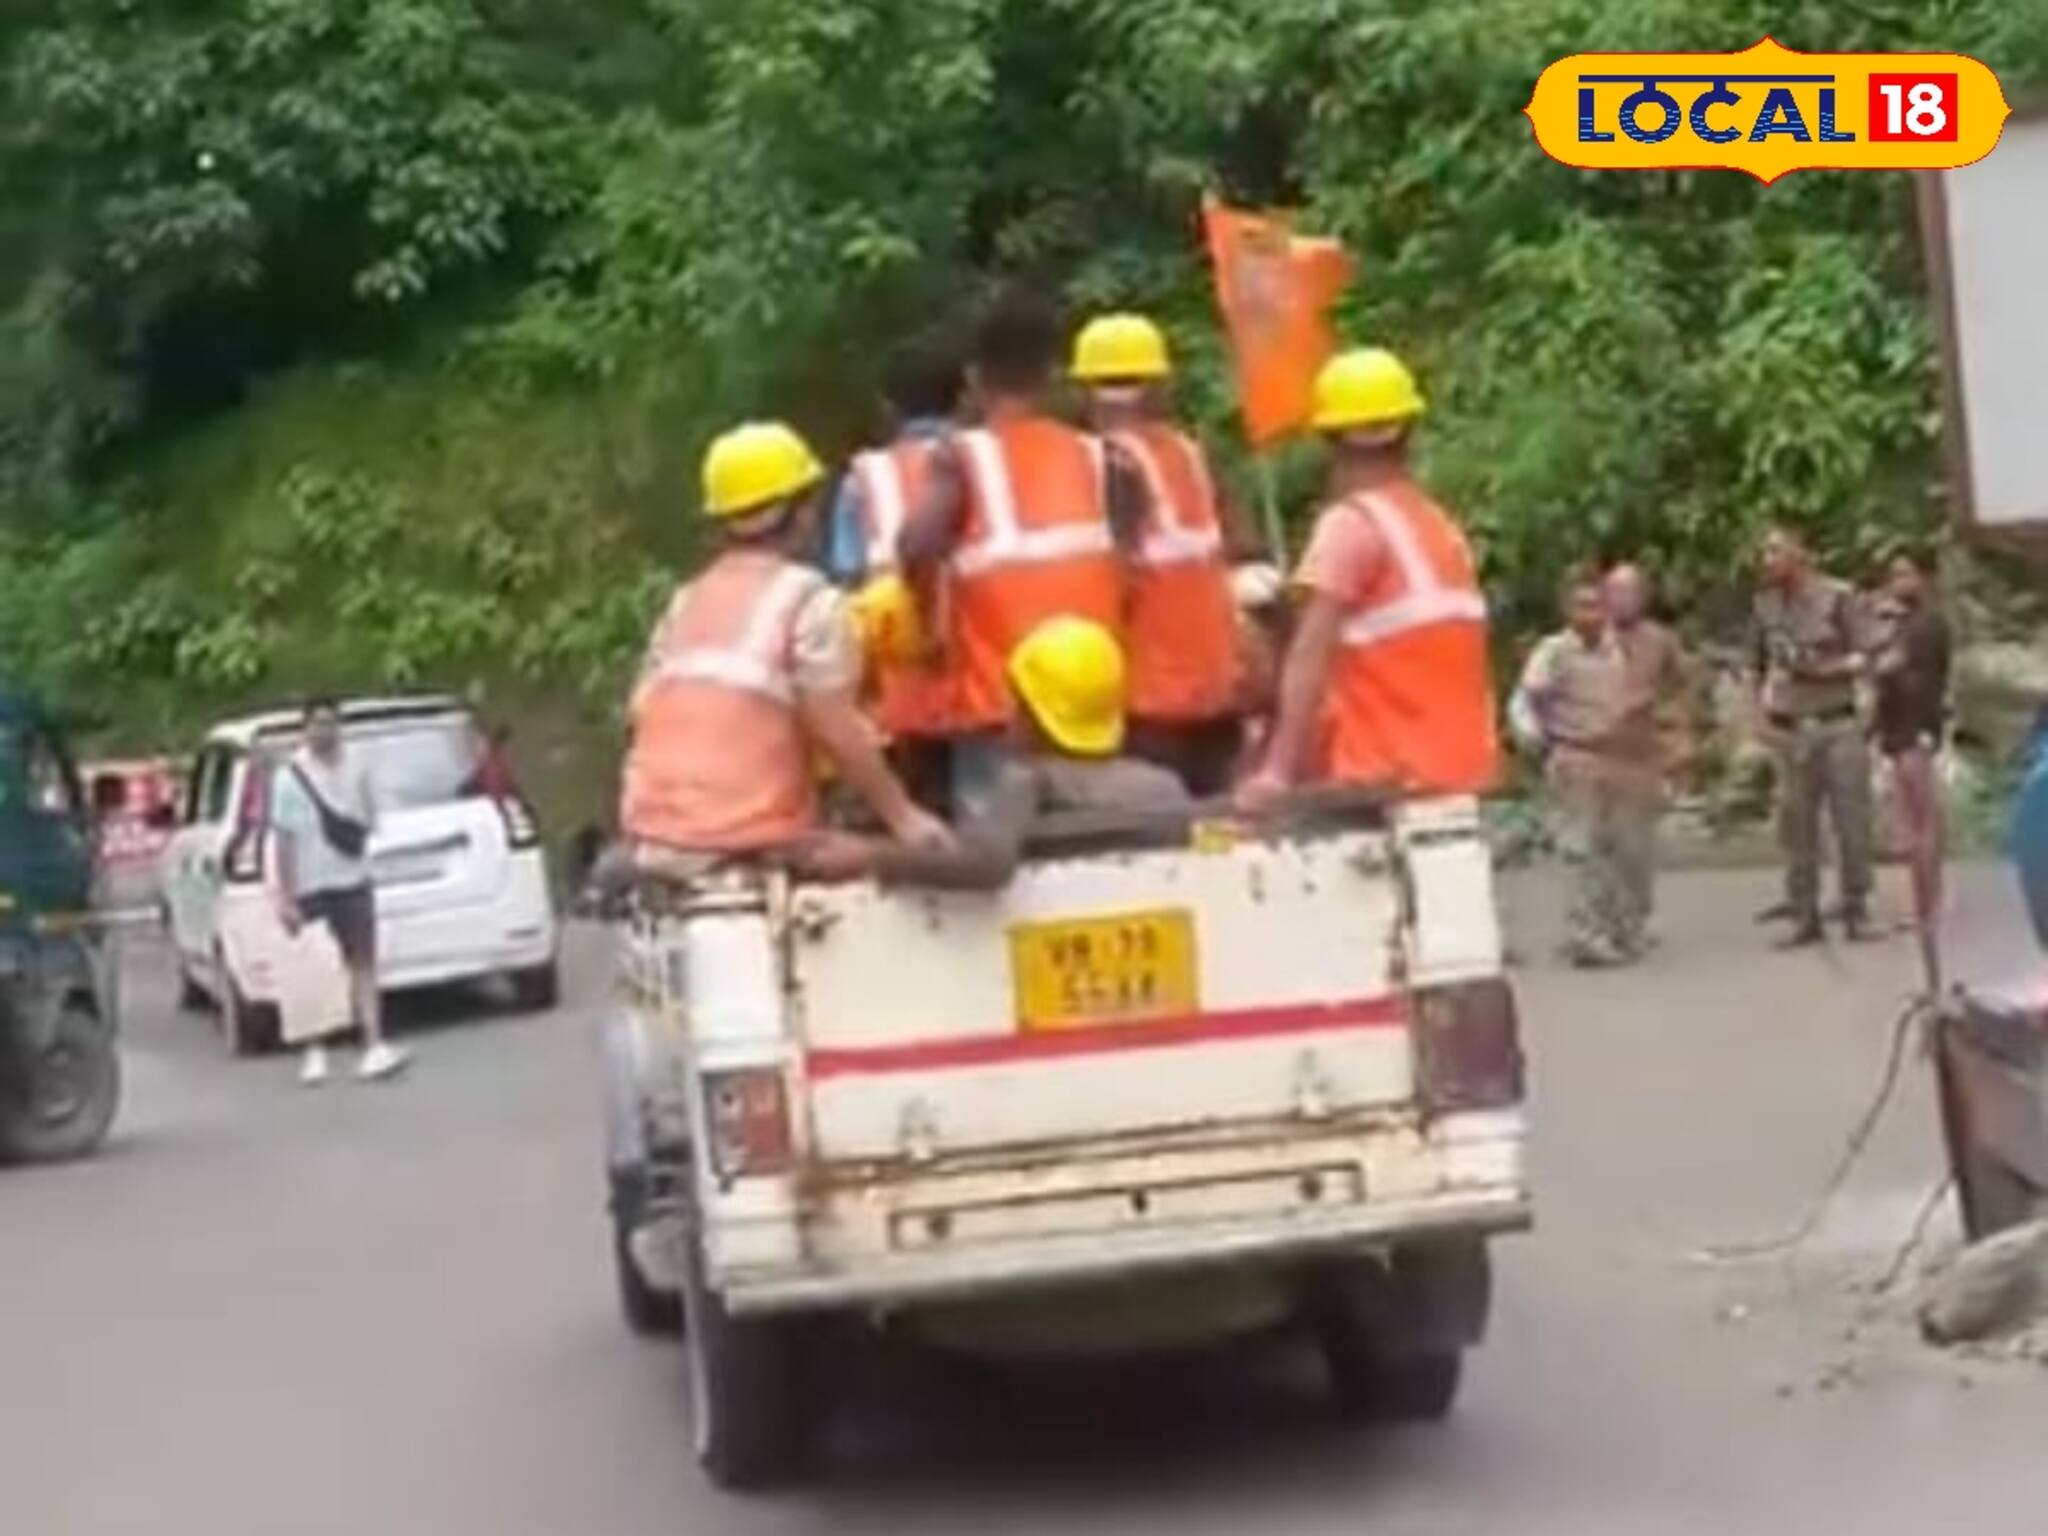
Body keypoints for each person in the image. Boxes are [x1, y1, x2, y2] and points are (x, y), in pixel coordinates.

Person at [618, 421, 952, 866]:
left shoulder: (687, 603)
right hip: (748, 833)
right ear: (801, 511)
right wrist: (905, 819)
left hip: (652, 833)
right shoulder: (808, 601)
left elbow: (642, 709)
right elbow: (833, 722)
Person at [898, 290, 1133, 817]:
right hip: (1094, 711)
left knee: (1006, 875)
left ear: (975, 378)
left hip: (998, 712)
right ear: (1053, 374)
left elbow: (915, 545)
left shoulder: (959, 459)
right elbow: (1131, 571)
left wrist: (928, 622)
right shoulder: (1101, 459)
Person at [1237, 348, 1498, 812]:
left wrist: (1277, 773)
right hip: (1460, 779)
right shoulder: (1439, 526)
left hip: (1385, 783)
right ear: (1408, 429)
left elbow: (1309, 656)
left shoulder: (1352, 525)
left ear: (1330, 438)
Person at [800, 617, 1188, 889]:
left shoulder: (1033, 783)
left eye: (1018, 705)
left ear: (1035, 717)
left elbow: (987, 863)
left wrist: (871, 856)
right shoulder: (1162, 788)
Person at [1070, 311, 1257, 796]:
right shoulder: (1192, 456)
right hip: (1217, 689)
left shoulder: (1102, 463)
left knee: (1160, 842)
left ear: (1084, 390)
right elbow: (1241, 551)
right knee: (1218, 840)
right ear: (1160, 385)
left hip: (1145, 699)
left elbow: (1118, 577)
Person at [832, 337, 969, 811]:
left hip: (900, 700)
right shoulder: (988, 463)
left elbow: (849, 590)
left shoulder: (863, 481)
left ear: (886, 408)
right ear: (965, 395)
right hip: (991, 694)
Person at [1751, 524, 1879, 947]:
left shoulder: (1839, 597)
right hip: (1792, 727)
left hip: (1837, 719)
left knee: (1851, 820)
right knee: (1797, 826)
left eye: (1776, 551)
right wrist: (1759, 715)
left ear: (1801, 554)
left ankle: (1856, 906)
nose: (1767, 560)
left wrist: (1830, 668)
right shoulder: (1766, 606)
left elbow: (1869, 653)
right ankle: (1804, 913)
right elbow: (1756, 664)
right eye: (1765, 553)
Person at [271, 697, 408, 1084]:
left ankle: (373, 1043)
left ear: (339, 726)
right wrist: (287, 894)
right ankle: (315, 1050)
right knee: (316, 970)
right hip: (311, 882)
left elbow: (371, 818)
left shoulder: (358, 766)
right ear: (305, 729)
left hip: (352, 878)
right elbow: (283, 839)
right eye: (316, 724)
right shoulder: (290, 776)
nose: (323, 731)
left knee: (362, 960)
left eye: (330, 723)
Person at [1510, 572, 1637, 966]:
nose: (1590, 614)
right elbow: (1526, 700)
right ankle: (1585, 937)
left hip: (1614, 756)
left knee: (1616, 847)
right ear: (1568, 611)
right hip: (1574, 756)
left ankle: (1613, 927)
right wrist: (1537, 742)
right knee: (1579, 850)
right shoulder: (1554, 652)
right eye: (1581, 606)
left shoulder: (1616, 650)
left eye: (1596, 605)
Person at [1871, 548, 1952, 985]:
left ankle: (1929, 904)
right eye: (1892, 575)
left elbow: (1896, 670)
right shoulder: (1904, 624)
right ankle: (1923, 902)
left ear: (1925, 578)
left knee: (1923, 821)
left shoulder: (1925, 626)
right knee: (1912, 821)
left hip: (1914, 729)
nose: (1896, 582)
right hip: (1898, 729)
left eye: (1905, 573)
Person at [1603, 561, 1689, 952]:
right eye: (1614, 592)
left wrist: (1676, 738)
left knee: (1635, 842)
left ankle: (1636, 915)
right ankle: (1602, 920)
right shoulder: (1589, 637)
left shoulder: (1660, 641)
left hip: (1640, 752)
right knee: (1595, 843)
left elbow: (1682, 688)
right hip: (1594, 750)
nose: (1621, 600)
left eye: (1629, 592)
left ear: (1643, 597)